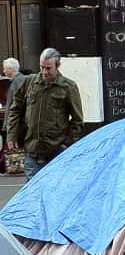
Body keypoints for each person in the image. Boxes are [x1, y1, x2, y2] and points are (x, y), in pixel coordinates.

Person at [4, 48, 83, 180]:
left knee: (55, 191)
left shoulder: (68, 87)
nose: (44, 72)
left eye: (48, 68)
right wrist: (11, 135)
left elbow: (77, 120)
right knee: (33, 193)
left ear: (57, 67)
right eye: (42, 67)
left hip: (57, 151)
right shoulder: (29, 82)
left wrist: (66, 143)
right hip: (32, 150)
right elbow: (15, 109)